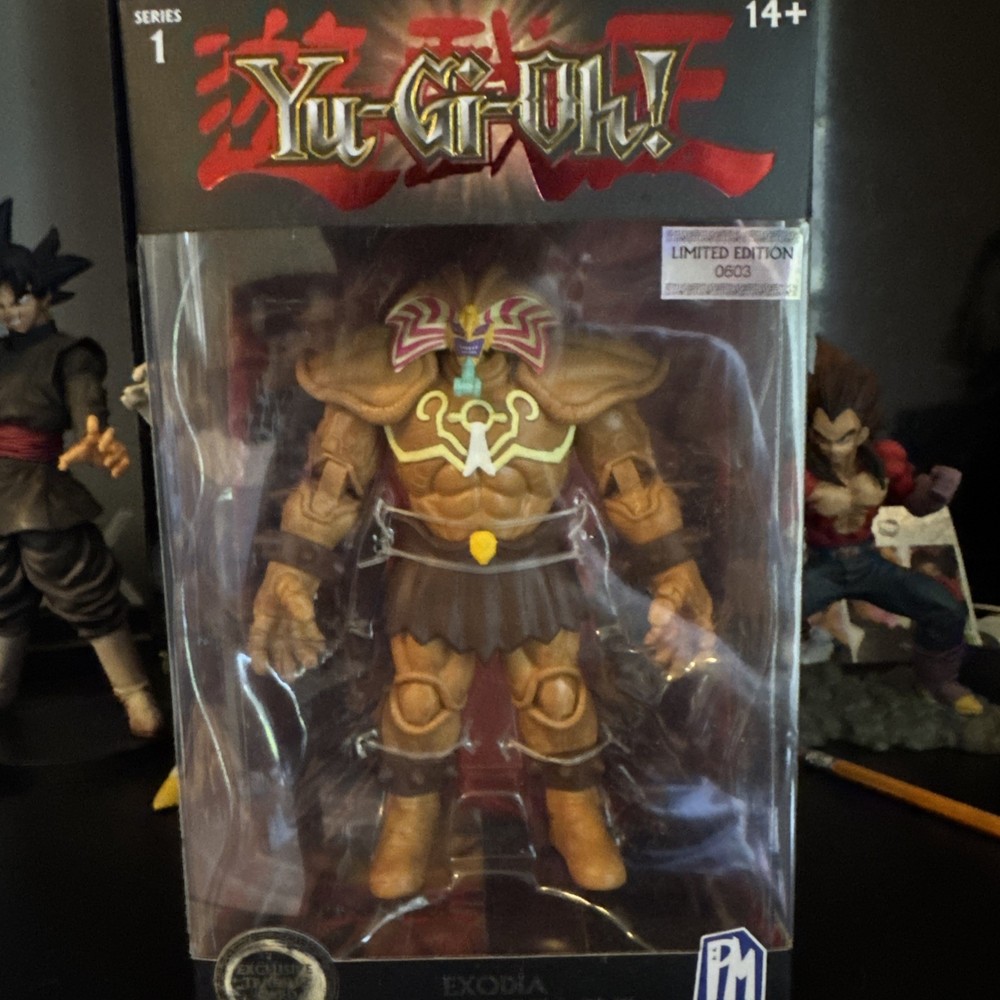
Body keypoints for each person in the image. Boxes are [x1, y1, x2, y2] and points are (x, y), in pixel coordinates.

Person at [248, 263, 715, 898]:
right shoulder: (383, 378)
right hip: (431, 564)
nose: (471, 347)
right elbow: (331, 486)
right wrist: (290, 573)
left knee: (556, 694)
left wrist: (675, 568)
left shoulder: (575, 376)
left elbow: (632, 482)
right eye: (455, 335)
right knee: (419, 702)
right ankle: (409, 824)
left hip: (534, 562)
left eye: (490, 336)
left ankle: (576, 814)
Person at [0, 198, 163, 738]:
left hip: (38, 487)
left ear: (44, 296)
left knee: (77, 582)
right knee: (2, 592)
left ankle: (133, 692)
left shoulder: (71, 353)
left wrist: (94, 433)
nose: (10, 313)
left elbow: (85, 399)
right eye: (0, 304)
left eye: (19, 300)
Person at [803, 339, 982, 716]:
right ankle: (762, 692)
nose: (833, 449)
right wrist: (808, 495)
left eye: (844, 438)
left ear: (862, 434)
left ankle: (937, 682)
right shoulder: (799, 467)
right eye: (822, 438)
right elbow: (768, 515)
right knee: (768, 623)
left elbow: (913, 503)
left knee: (945, 608)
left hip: (868, 562)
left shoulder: (883, 461)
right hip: (818, 565)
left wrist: (935, 494)